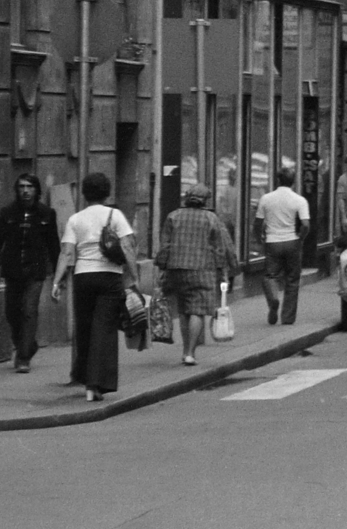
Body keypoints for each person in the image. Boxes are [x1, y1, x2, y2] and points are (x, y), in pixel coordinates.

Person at [51, 173, 135, 403]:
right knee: (105, 330)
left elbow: (67, 252)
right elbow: (127, 247)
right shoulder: (114, 215)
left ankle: (86, 377)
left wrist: (57, 282)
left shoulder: (75, 219)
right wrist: (134, 277)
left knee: (85, 329)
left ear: (84, 193)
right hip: (109, 276)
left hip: (83, 277)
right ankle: (96, 384)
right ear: (107, 192)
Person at [155, 185, 238, 365]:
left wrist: (162, 268)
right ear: (205, 201)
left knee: (184, 310)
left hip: (177, 269)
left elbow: (165, 246)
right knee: (197, 311)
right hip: (203, 269)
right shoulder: (211, 218)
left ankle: (185, 349)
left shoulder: (173, 216)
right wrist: (227, 269)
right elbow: (221, 247)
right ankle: (190, 353)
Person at [0, 172, 60, 373]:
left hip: (35, 272)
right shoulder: (7, 213)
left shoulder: (46, 214)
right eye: (21, 187)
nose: (25, 191)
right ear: (17, 190)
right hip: (12, 270)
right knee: (11, 312)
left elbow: (53, 245)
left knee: (29, 311)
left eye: (29, 187)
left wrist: (59, 274)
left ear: (36, 190)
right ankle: (27, 344)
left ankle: (23, 357)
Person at [255, 166, 309, 326]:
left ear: (278, 180)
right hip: (292, 241)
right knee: (292, 279)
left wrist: (259, 237)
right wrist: (301, 238)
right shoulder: (299, 200)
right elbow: (305, 224)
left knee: (270, 275)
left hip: (272, 241)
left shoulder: (266, 198)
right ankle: (287, 318)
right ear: (293, 182)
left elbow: (258, 222)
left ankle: (273, 299)